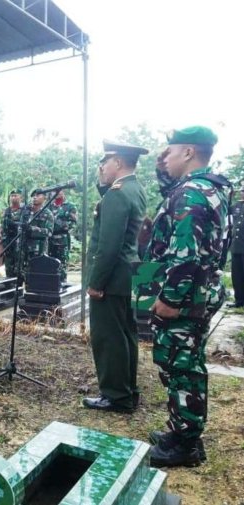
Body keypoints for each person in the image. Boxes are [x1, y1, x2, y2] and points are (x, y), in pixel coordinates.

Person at [145, 126, 231, 467]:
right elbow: (171, 199)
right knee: (181, 360)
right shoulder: (205, 187)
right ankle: (181, 429)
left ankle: (186, 444)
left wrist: (170, 298)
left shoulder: (191, 194)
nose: (165, 157)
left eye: (171, 151)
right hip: (199, 290)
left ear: (189, 153)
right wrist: (161, 170)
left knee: (181, 365)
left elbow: (186, 254)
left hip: (186, 296)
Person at [82, 140, 148, 414]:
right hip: (126, 274)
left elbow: (108, 246)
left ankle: (115, 395)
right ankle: (127, 390)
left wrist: (96, 283)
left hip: (110, 278)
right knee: (125, 334)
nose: (101, 167)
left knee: (109, 337)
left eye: (105, 162)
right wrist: (103, 185)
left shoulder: (118, 194)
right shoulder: (134, 189)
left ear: (118, 162)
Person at [20, 189, 54, 281]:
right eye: (33, 195)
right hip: (24, 249)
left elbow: (49, 232)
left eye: (38, 195)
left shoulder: (47, 214)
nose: (35, 197)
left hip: (39, 250)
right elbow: (20, 228)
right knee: (25, 275)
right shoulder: (26, 212)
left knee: (38, 276)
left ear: (44, 198)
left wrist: (34, 229)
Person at [49, 190, 77, 283]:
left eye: (59, 191)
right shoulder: (49, 206)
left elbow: (73, 223)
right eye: (55, 191)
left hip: (62, 240)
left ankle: (62, 283)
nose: (57, 193)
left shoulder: (70, 206)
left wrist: (62, 226)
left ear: (63, 192)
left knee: (62, 263)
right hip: (49, 240)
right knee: (50, 263)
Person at [1, 189, 24, 279]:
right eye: (12, 196)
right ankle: (9, 284)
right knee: (9, 267)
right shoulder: (6, 211)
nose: (13, 197)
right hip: (8, 243)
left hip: (19, 242)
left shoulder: (24, 210)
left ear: (21, 197)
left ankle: (19, 285)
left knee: (19, 268)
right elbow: (3, 227)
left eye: (15, 195)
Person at [229, 186, 244, 308]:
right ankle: (239, 301)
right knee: (237, 275)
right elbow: (224, 209)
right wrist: (229, 196)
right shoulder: (237, 206)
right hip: (236, 246)